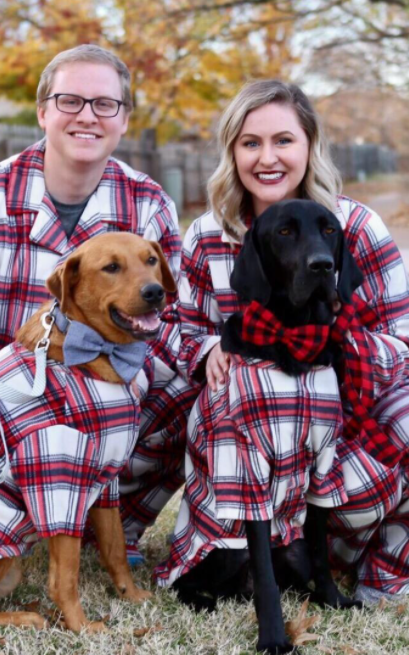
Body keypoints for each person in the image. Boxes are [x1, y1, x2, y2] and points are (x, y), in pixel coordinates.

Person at [154, 80, 409, 603]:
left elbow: (400, 345)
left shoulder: (356, 225)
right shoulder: (207, 233)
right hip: (245, 424)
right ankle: (229, 553)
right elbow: (181, 332)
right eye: (250, 143)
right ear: (233, 151)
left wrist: (331, 344)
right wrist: (210, 351)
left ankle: (377, 570)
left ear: (310, 145)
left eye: (283, 141)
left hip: (340, 412)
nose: (267, 158)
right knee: (182, 399)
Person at [0, 44, 197, 568]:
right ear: (43, 111)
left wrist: (214, 358)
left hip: (104, 385)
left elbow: (170, 319)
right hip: (7, 405)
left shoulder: (148, 203)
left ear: (124, 119)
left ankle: (110, 531)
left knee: (191, 394)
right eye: (70, 100)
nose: (87, 115)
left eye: (104, 104)